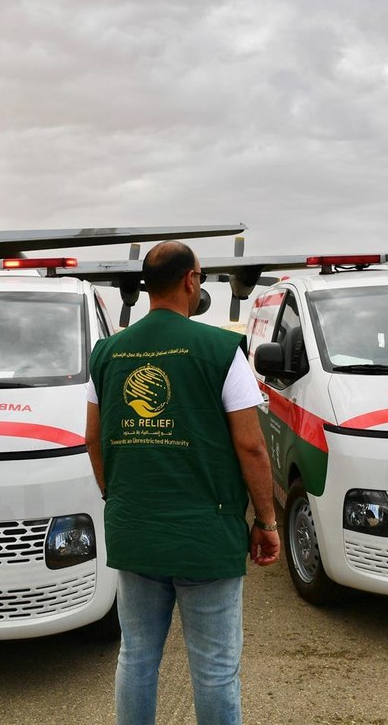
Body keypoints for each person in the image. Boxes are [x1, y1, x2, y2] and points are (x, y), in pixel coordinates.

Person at [85, 241, 280, 725]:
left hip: (136, 531)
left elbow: (93, 440)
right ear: (191, 280)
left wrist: (118, 497)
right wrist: (266, 520)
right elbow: (251, 447)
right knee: (214, 670)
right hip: (205, 537)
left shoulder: (107, 353)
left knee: (136, 658)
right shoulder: (220, 351)